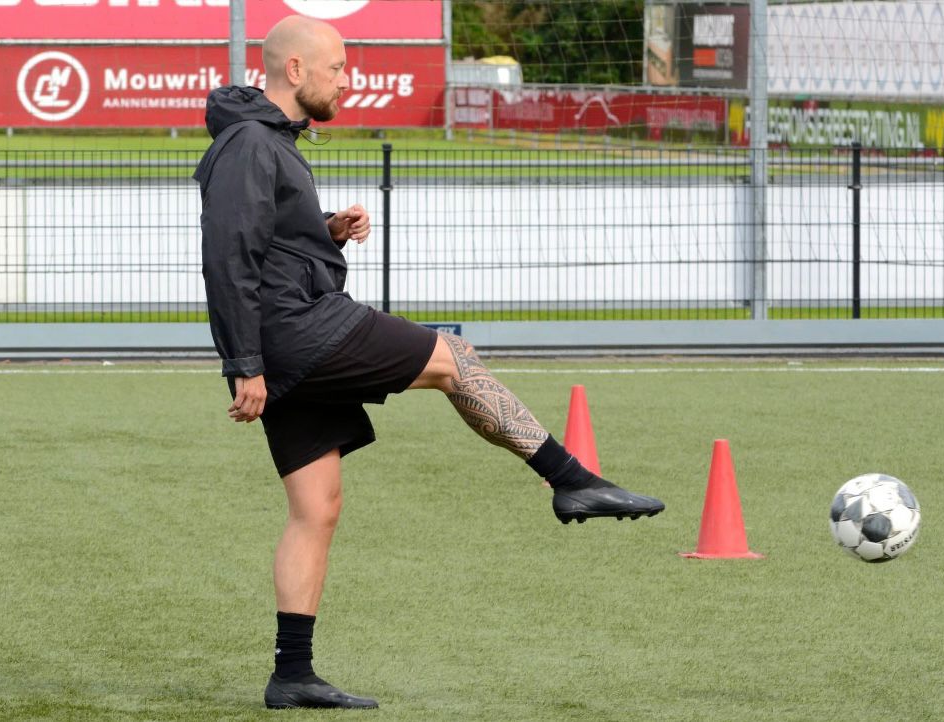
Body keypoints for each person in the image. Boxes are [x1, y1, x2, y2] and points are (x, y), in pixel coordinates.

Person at [194, 15, 665, 711]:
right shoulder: (250, 144)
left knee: (315, 508)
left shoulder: (270, 141)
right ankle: (570, 480)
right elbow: (226, 256)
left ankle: (291, 673)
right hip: (298, 333)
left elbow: (268, 245)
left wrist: (325, 233)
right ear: (294, 71)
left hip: (287, 337)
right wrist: (245, 363)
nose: (346, 81)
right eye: (337, 69)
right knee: (455, 358)